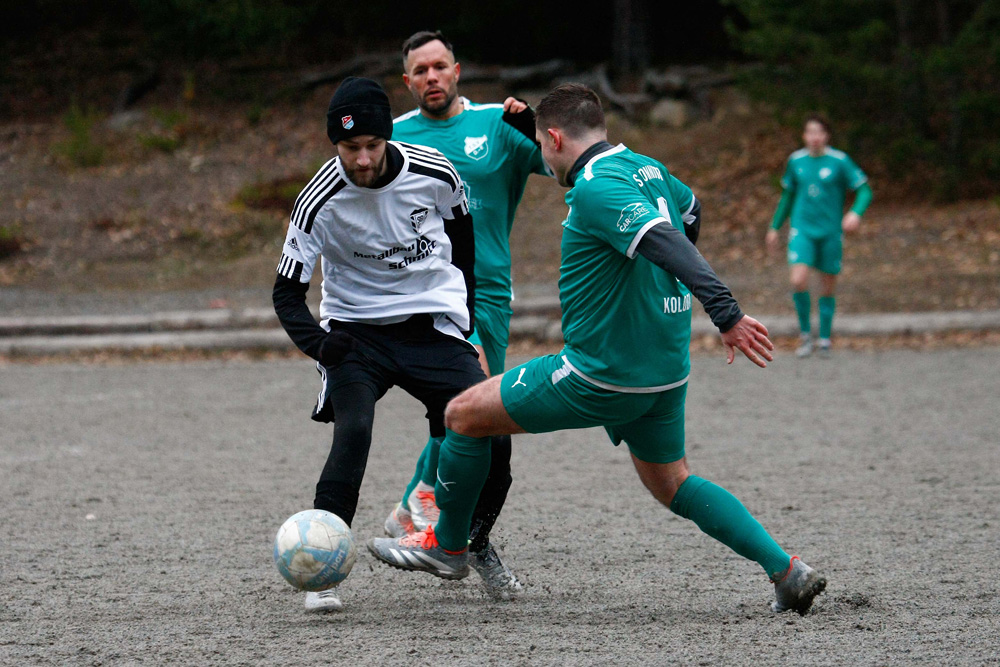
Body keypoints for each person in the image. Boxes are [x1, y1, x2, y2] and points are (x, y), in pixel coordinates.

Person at [369, 83, 827, 615]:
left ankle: (448, 548)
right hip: (664, 369)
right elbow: (690, 210)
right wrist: (657, 292)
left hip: (600, 371)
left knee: (463, 414)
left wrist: (724, 311)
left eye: (541, 144)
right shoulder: (646, 167)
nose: (541, 154)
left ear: (556, 137)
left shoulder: (595, 187)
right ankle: (787, 570)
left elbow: (666, 238)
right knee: (674, 482)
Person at [272, 76, 485, 613]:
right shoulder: (318, 200)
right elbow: (287, 292)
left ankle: (473, 543)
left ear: (388, 136)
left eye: (372, 145)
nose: (362, 160)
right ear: (335, 145)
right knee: (355, 430)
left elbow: (463, 245)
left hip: (428, 326)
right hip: (356, 334)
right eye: (349, 149)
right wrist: (321, 346)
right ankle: (322, 572)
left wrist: (464, 319)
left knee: (482, 426)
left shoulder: (437, 174)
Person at [382, 30, 550, 597]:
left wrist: (530, 127)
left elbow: (567, 161)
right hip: (420, 296)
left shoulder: (495, 126)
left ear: (457, 70)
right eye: (419, 71)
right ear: (407, 82)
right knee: (465, 406)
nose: (431, 77)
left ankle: (419, 505)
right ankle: (445, 525)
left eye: (439, 66)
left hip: (487, 292)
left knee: (474, 409)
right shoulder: (393, 139)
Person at [766, 114, 872, 358]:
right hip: (802, 230)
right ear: (804, 136)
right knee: (798, 280)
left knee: (827, 286)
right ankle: (805, 336)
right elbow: (787, 197)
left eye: (819, 132)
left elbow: (865, 191)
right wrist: (774, 227)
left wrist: (855, 214)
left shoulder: (839, 161)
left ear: (826, 136)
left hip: (830, 232)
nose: (814, 137)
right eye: (809, 132)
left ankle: (824, 338)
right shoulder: (796, 161)